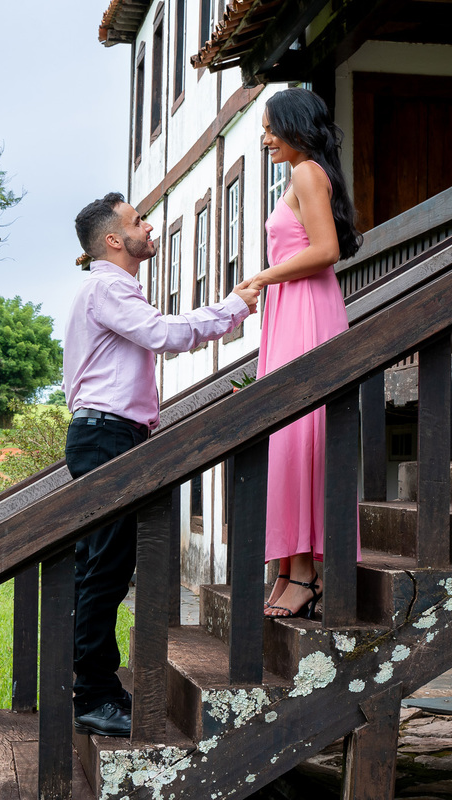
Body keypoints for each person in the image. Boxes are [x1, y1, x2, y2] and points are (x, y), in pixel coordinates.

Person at [63, 192, 259, 736]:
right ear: (112, 239)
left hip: (109, 434)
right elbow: (165, 335)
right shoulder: (106, 287)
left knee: (100, 569)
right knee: (104, 572)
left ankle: (93, 688)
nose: (149, 228)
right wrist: (235, 305)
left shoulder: (110, 288)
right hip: (107, 436)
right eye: (138, 222)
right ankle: (93, 698)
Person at [250, 88, 363, 619]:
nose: (266, 137)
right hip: (292, 309)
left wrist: (264, 276)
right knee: (289, 439)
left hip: (306, 311)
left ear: (297, 126)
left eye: (272, 127)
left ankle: (306, 574)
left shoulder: (306, 173)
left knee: (300, 436)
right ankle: (288, 567)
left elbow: (326, 251)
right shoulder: (304, 174)